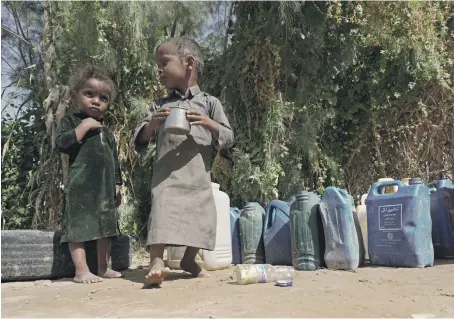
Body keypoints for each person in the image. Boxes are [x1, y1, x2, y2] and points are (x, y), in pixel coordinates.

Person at [133, 37, 234, 286]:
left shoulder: (210, 103)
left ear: (188, 63)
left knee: (203, 216)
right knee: (161, 210)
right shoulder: (160, 105)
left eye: (164, 63)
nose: (159, 70)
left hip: (198, 176)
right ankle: (157, 260)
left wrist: (209, 124)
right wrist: (153, 125)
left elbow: (228, 136)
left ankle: (189, 259)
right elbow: (140, 137)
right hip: (166, 175)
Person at [56, 65, 123, 284]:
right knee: (78, 227)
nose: (96, 100)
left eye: (103, 98)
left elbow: (114, 162)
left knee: (106, 228)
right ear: (76, 95)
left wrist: (117, 184)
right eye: (89, 94)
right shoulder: (71, 122)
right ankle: (81, 270)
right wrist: (82, 128)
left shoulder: (107, 133)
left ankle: (103, 267)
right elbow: (61, 143)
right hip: (80, 188)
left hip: (104, 190)